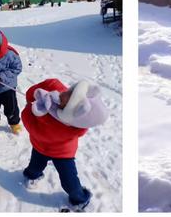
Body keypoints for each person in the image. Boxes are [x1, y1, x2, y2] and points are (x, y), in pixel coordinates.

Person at [21, 78, 109, 210]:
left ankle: (79, 199)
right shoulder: (59, 93)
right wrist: (34, 96)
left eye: (68, 98)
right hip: (41, 147)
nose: (63, 93)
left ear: (71, 114)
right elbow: (51, 83)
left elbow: (28, 122)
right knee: (34, 166)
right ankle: (32, 175)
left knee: (69, 181)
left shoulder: (65, 129)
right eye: (71, 91)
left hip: (62, 154)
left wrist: (33, 107)